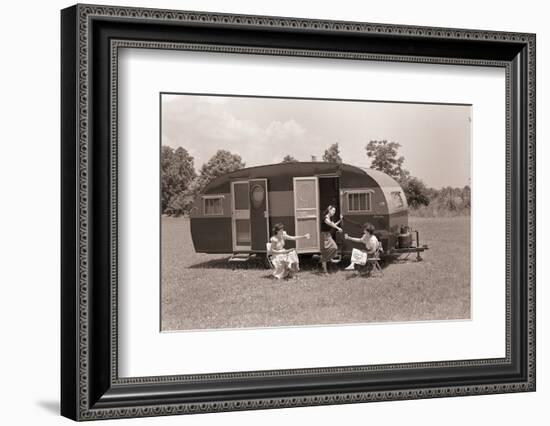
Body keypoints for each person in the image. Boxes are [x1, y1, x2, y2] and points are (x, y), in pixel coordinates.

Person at [320, 205, 343, 275]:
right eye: (333, 210)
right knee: (324, 252)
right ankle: (325, 271)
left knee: (335, 247)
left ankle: (328, 259)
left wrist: (340, 220)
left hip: (328, 235)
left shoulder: (329, 218)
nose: (334, 212)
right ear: (329, 210)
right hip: (324, 235)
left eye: (335, 211)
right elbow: (330, 224)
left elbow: (333, 224)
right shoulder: (325, 217)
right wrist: (338, 228)